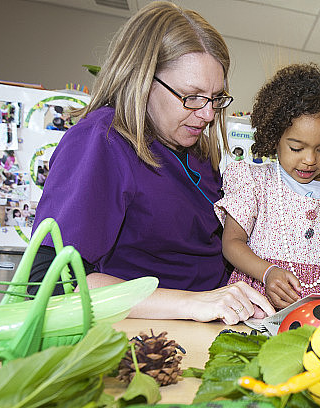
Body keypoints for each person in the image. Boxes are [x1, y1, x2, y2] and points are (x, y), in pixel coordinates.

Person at [30, 1, 273, 325]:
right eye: (192, 96)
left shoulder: (195, 154)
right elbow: (50, 283)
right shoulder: (103, 141)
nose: (208, 114)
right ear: (142, 79)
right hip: (142, 337)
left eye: (215, 98)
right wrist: (193, 304)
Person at [214, 63, 320, 310]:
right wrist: (267, 273)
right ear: (275, 138)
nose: (309, 159)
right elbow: (231, 243)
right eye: (297, 148)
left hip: (318, 308)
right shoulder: (254, 182)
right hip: (258, 300)